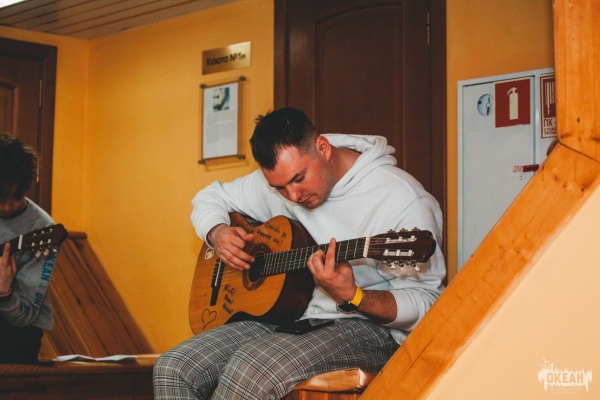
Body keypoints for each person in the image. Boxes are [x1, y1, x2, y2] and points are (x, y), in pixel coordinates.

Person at [153, 107, 446, 399]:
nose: (293, 196)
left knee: (251, 369)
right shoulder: (282, 179)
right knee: (174, 368)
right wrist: (217, 232)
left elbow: (427, 303)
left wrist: (354, 296)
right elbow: (211, 196)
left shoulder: (402, 200)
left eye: (299, 179)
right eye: (279, 188)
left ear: (323, 148)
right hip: (288, 314)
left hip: (366, 326)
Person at [0, 133, 57, 364]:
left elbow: (24, 317)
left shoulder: (43, 229)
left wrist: (4, 293)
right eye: (0, 197)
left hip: (17, 334)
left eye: (15, 196)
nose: (7, 206)